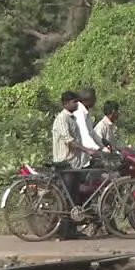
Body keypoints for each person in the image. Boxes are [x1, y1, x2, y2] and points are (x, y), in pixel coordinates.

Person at [52, 91, 99, 233]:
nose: (76, 104)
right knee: (67, 200)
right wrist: (87, 150)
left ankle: (73, 230)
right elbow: (69, 141)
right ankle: (64, 232)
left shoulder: (72, 119)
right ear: (65, 103)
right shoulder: (62, 119)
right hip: (66, 163)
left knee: (74, 198)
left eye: (77, 101)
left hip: (75, 164)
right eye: (73, 102)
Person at [73, 88, 102, 163]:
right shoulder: (78, 111)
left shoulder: (85, 111)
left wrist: (103, 144)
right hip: (77, 156)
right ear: (87, 99)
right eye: (94, 98)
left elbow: (92, 133)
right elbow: (84, 134)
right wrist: (97, 149)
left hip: (85, 154)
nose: (95, 100)